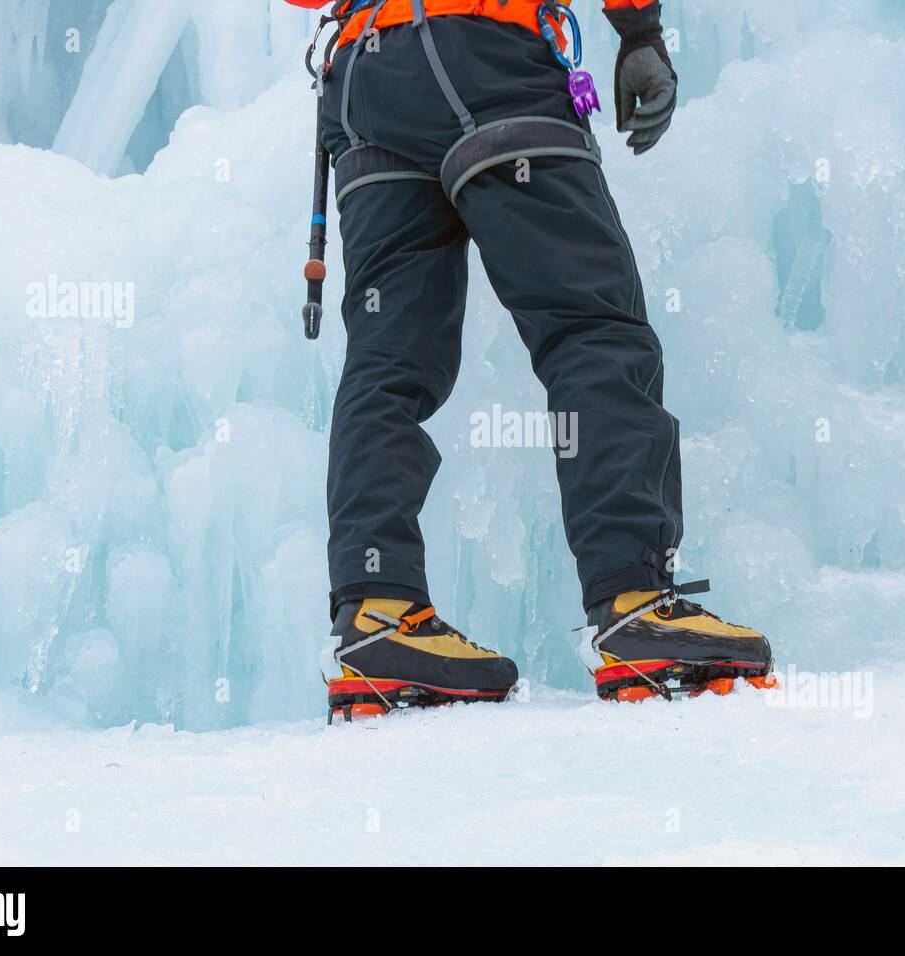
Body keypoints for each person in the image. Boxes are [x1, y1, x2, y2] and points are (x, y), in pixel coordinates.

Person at [287, 0, 774, 720]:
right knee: (589, 325)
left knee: (388, 360)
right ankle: (633, 602)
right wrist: (639, 30)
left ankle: (378, 617)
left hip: (363, 82)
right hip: (487, 57)